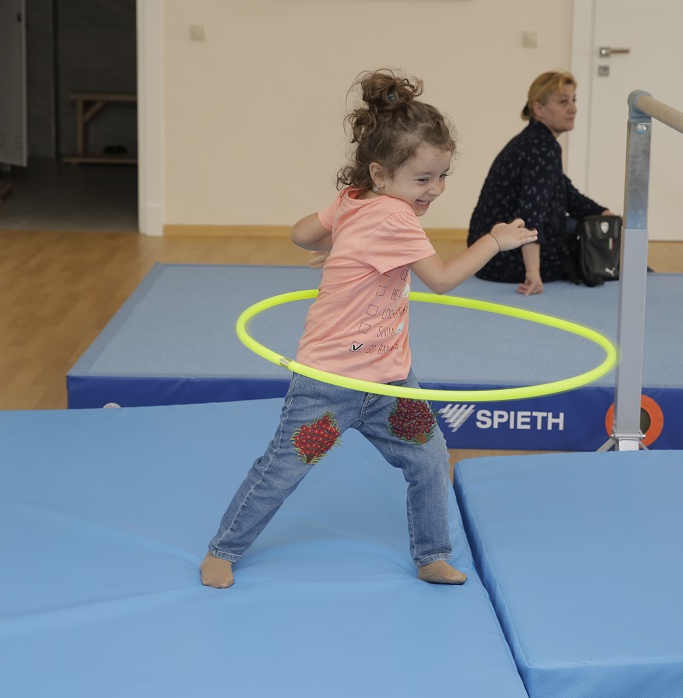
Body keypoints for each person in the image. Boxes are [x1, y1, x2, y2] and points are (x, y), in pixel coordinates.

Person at [200, 70, 538, 589]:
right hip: (331, 383)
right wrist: (494, 241)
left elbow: (300, 234)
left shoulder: (353, 199)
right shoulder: (397, 220)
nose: (434, 189)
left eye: (442, 176)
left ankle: (432, 555)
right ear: (381, 174)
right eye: (422, 179)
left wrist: (344, 245)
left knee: (425, 458)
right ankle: (223, 549)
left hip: (389, 383)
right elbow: (442, 281)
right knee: (287, 467)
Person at [467, 70, 611, 295]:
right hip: (506, 261)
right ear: (538, 108)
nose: (573, 108)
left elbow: (568, 194)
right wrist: (533, 272)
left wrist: (606, 214)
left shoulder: (533, 141)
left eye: (573, 100)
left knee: (583, 232)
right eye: (563, 102)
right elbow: (530, 214)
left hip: (487, 257)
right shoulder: (542, 147)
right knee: (593, 255)